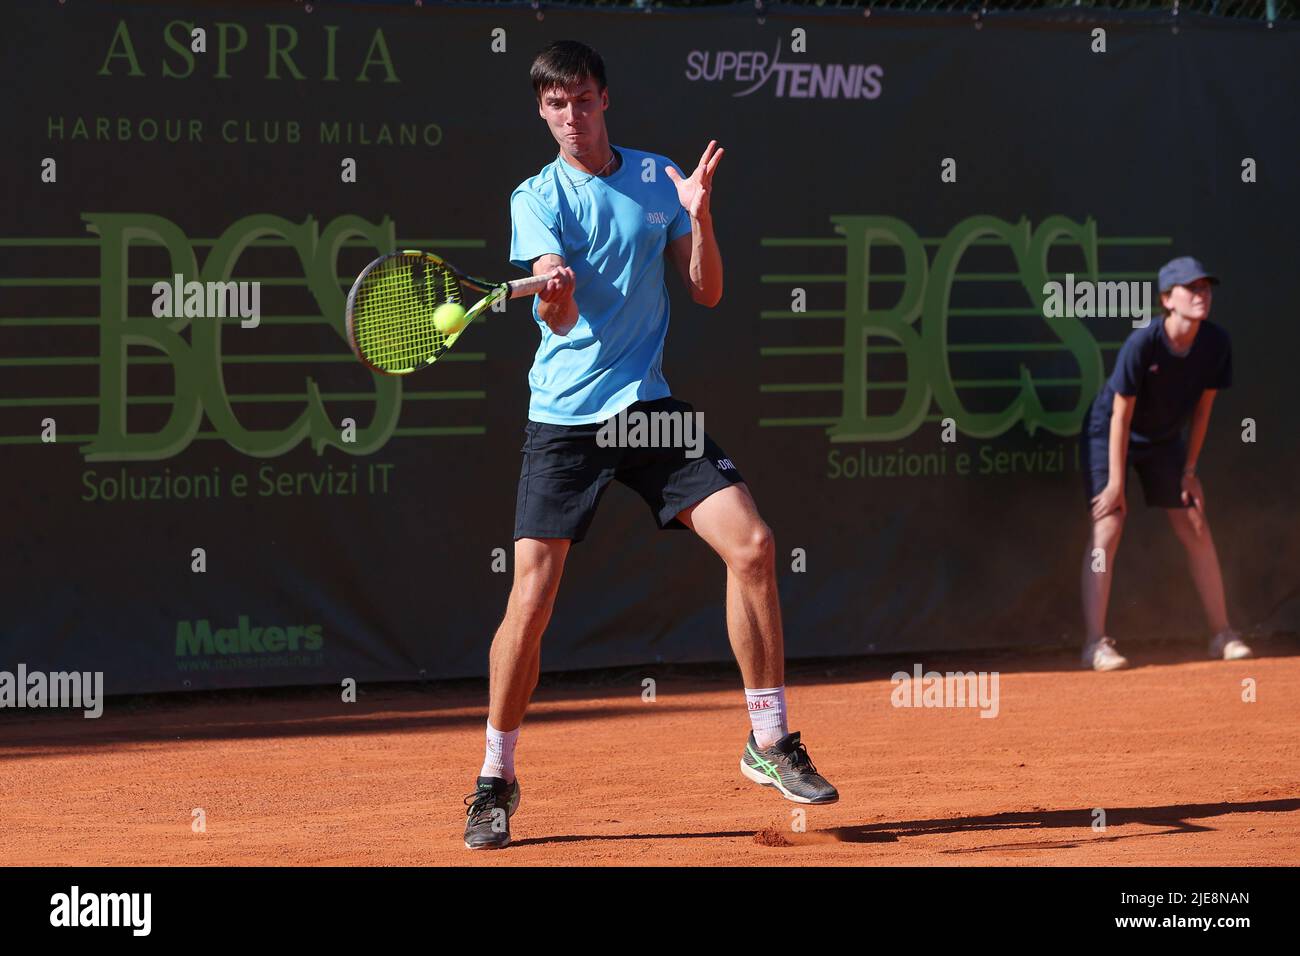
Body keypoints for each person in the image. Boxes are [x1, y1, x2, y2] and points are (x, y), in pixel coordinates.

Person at [462, 40, 838, 850]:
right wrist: (555, 292)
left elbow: (705, 290)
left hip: (647, 408)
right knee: (530, 600)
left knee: (756, 546)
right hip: (564, 420)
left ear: (606, 100)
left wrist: (699, 216)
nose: (573, 116)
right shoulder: (536, 198)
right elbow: (555, 314)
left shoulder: (657, 178)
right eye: (557, 104)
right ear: (542, 111)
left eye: (585, 100)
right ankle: (495, 778)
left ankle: (769, 741)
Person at [1078, 255, 1253, 671]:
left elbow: (1203, 410)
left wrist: (1189, 471)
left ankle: (1222, 633)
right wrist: (1116, 486)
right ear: (1166, 299)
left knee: (1193, 519)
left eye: (1206, 288)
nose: (1202, 295)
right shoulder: (1143, 343)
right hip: (1110, 432)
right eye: (1191, 289)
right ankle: (1094, 644)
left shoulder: (1215, 343)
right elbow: (1121, 415)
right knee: (1110, 522)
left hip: (1162, 440)